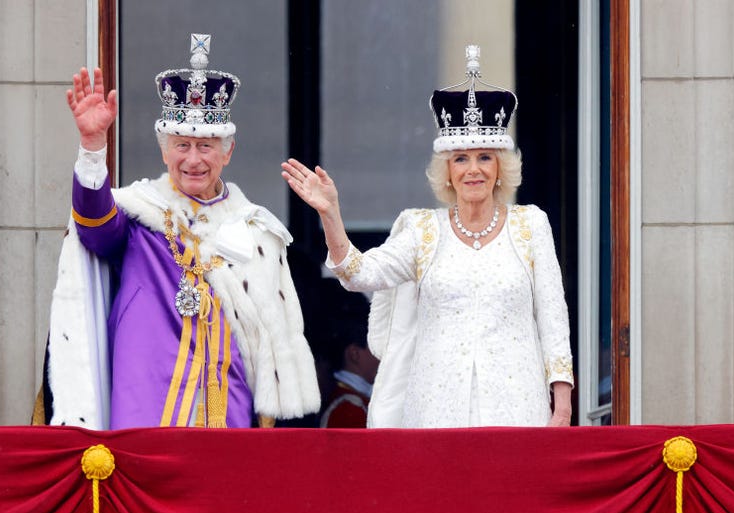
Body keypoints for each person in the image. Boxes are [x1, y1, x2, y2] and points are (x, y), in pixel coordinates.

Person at [281, 45, 573, 428]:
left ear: (501, 167)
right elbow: (360, 274)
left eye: (485, 157)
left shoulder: (531, 225)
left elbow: (553, 319)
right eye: (461, 159)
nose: (473, 170)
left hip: (517, 408)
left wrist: (562, 406)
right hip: (436, 411)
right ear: (446, 170)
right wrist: (331, 214)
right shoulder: (422, 230)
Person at [41, 33, 320, 429]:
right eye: (181, 145)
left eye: (206, 146)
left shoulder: (256, 230)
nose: (193, 159)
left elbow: (273, 341)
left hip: (230, 408)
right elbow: (94, 227)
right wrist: (92, 147)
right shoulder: (141, 215)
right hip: (145, 407)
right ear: (163, 150)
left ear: (228, 152)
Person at [321, 307, 379, 428]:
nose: (380, 356)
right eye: (376, 348)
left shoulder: (353, 402)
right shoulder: (348, 409)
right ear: (355, 354)